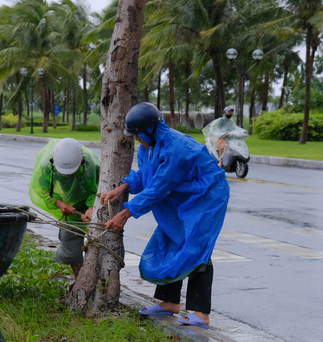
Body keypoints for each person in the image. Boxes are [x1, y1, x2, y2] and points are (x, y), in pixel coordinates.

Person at [99, 102, 230, 329]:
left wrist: (125, 214)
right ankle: (169, 303)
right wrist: (122, 188)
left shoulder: (174, 148)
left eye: (138, 134)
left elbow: (159, 188)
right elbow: (146, 177)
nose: (137, 139)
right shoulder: (149, 146)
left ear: (151, 129)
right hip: (182, 197)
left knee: (197, 249)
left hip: (206, 197)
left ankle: (201, 313)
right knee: (170, 243)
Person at [29, 138, 100, 277]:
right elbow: (41, 189)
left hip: (89, 199)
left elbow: (99, 189)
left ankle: (99, 279)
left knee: (98, 242)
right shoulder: (47, 165)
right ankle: (80, 281)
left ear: (81, 161)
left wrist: (92, 206)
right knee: (70, 242)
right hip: (66, 202)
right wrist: (59, 203)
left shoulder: (92, 164)